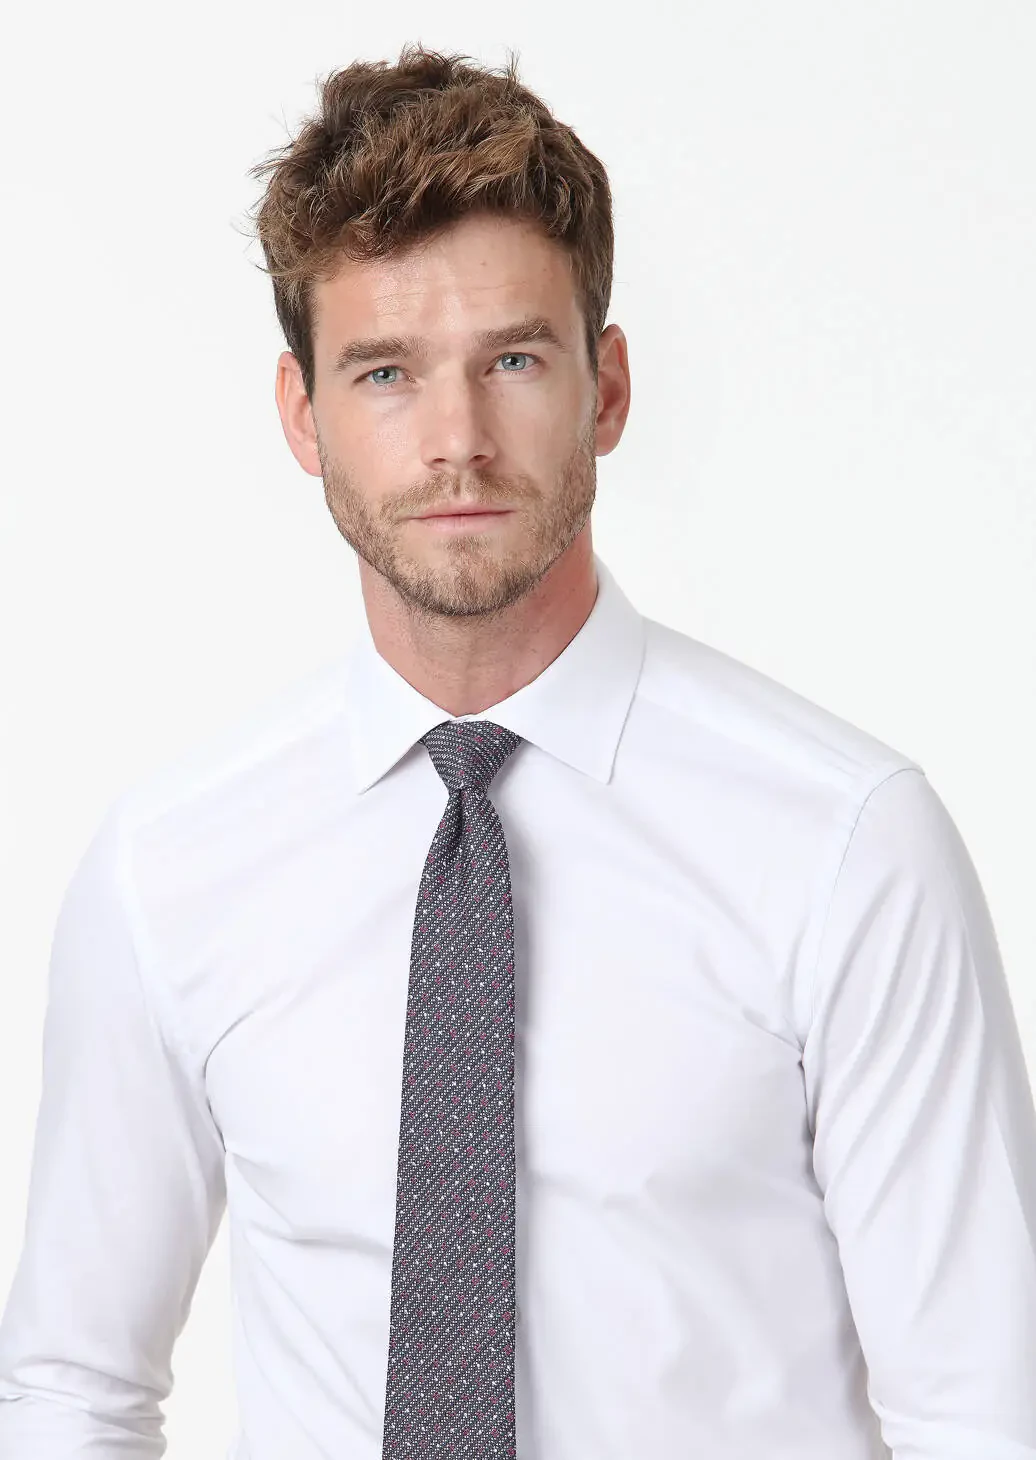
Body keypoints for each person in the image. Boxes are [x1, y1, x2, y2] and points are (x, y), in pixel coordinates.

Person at [1, 40, 1034, 1460]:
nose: (458, 442)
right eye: (385, 372)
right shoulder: (171, 872)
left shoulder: (844, 846)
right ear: (302, 414)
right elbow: (72, 1390)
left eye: (514, 360)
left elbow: (985, 1407)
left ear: (606, 388)